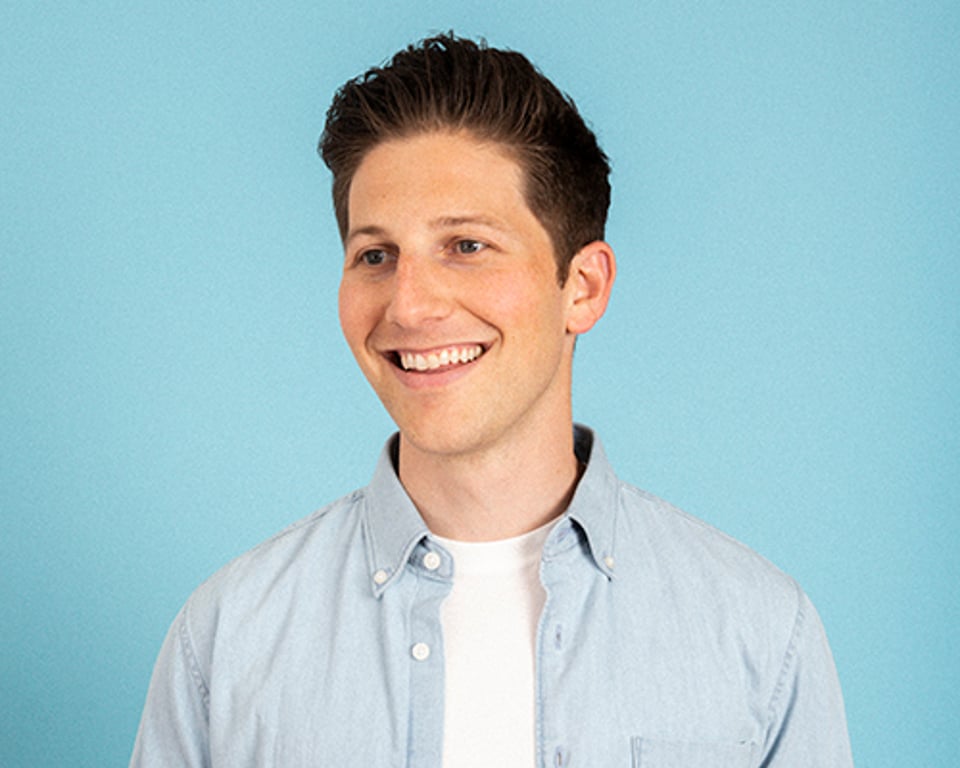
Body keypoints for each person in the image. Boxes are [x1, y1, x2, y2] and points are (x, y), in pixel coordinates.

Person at [130, 34, 852, 767]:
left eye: (466, 246)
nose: (409, 306)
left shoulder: (759, 634)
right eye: (375, 256)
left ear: (583, 287)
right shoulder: (226, 641)